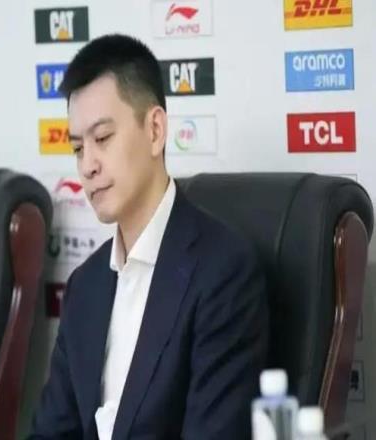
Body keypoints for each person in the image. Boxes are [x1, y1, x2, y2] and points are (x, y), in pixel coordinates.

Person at [29, 34, 269, 440]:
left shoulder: (223, 274)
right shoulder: (85, 286)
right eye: (77, 148)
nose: (87, 166)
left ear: (155, 130)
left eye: (102, 138)